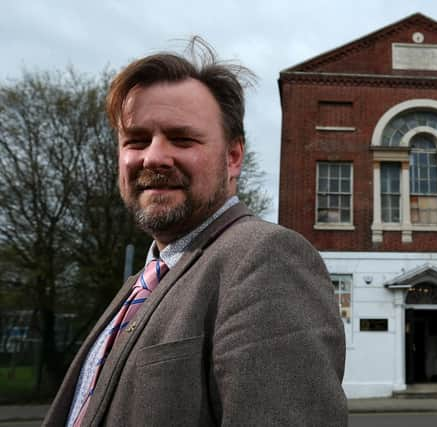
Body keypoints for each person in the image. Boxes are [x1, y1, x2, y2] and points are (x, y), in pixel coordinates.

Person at [43, 38, 347, 426]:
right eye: (136, 140)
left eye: (182, 138)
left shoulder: (266, 258)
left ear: (233, 157)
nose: (153, 157)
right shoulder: (141, 282)